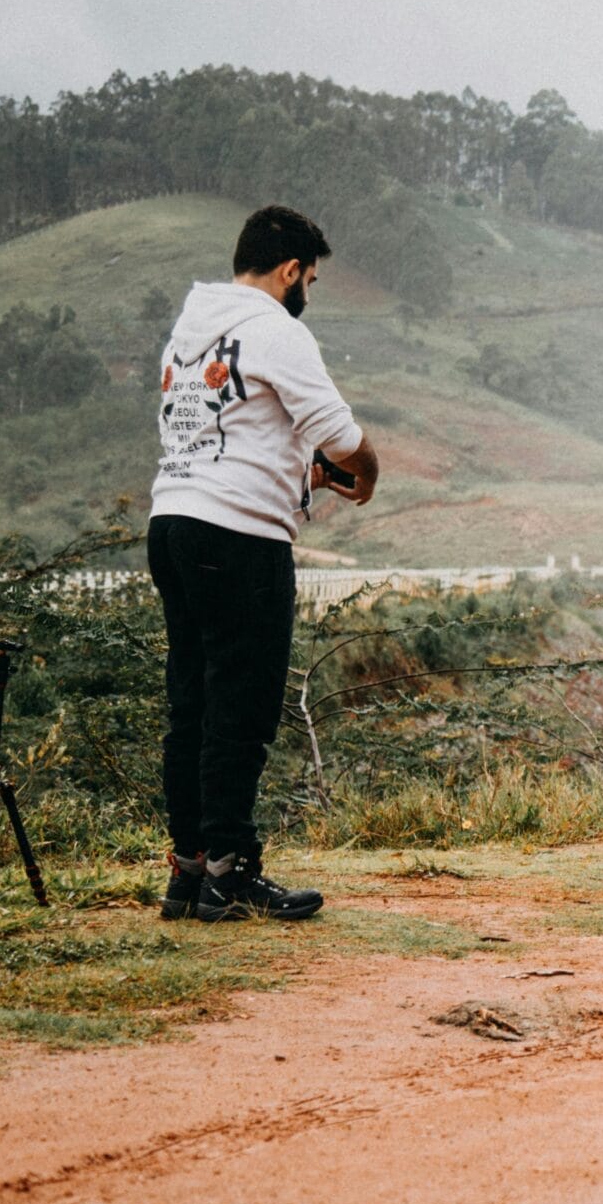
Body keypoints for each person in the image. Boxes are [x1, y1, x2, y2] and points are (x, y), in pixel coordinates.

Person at [148, 205, 380, 921]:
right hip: (240, 539)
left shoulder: (190, 331)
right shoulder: (278, 329)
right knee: (240, 707)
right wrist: (365, 472)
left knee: (191, 702)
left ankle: (188, 871)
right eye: (308, 277)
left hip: (174, 525)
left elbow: (229, 441)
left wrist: (303, 477)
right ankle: (231, 870)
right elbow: (340, 435)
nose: (306, 289)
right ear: (288, 271)